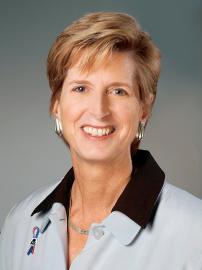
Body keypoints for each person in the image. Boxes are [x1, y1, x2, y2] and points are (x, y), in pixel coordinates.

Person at [0, 12, 202, 270]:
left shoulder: (195, 235)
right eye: (81, 88)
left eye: (118, 91)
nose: (99, 110)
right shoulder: (20, 224)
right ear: (56, 105)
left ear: (143, 108)